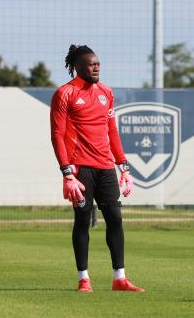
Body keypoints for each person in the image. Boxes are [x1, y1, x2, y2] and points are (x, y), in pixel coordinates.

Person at [50, 45, 144, 293]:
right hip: (80, 169)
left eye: (98, 63)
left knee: (115, 218)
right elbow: (57, 134)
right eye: (91, 64)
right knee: (82, 220)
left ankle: (119, 279)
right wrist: (66, 173)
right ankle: (84, 279)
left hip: (105, 168)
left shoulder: (106, 92)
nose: (96, 67)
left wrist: (124, 167)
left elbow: (111, 130)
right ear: (78, 67)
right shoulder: (65, 93)